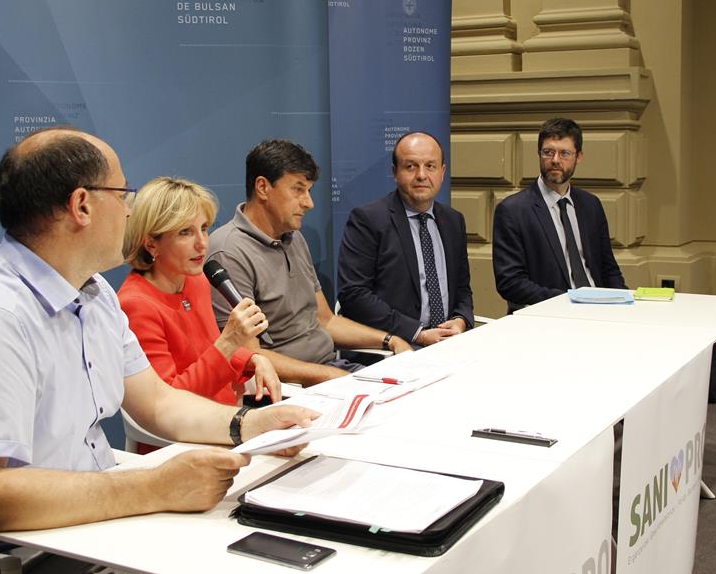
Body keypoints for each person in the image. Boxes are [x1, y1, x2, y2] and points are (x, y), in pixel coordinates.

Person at [0, 128, 316, 554]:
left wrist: (250, 425)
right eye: (123, 194)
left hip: (88, 531)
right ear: (82, 205)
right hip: (15, 557)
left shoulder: (95, 294)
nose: (129, 211)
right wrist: (154, 487)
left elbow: (158, 403)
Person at [208, 139, 412, 387]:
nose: (309, 202)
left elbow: (325, 320)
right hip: (293, 387)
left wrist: (390, 340)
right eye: (298, 189)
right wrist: (333, 377)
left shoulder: (294, 238)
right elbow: (250, 355)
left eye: (309, 190)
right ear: (262, 187)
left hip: (333, 370)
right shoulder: (228, 251)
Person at [119, 177, 280, 413]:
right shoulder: (136, 305)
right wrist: (229, 341)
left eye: (204, 228)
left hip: (227, 415)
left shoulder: (196, 281)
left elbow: (207, 353)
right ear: (152, 244)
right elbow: (169, 404)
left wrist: (252, 359)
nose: (202, 244)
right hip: (187, 430)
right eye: (185, 232)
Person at [337, 131, 474, 346]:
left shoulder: (454, 221)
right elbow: (354, 295)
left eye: (430, 166)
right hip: (395, 346)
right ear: (395, 172)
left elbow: (462, 289)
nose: (421, 175)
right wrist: (418, 333)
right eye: (411, 166)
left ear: (442, 172)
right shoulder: (368, 220)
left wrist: (461, 320)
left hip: (448, 343)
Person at [492, 117, 626, 312]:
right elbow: (510, 283)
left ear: (578, 157)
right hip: (548, 315)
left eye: (564, 153)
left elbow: (609, 269)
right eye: (548, 152)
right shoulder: (513, 210)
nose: (555, 160)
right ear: (539, 154)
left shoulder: (591, 205)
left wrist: (623, 304)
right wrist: (570, 301)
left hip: (598, 311)